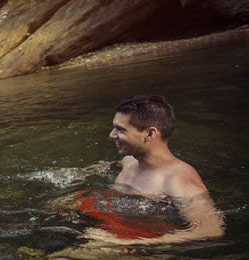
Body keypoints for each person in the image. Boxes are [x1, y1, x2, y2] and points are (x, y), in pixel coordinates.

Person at [80, 94, 224, 244]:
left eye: (120, 130)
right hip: (111, 228)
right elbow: (118, 163)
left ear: (150, 134)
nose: (111, 135)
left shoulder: (177, 179)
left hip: (140, 244)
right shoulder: (130, 161)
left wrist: (128, 243)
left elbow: (211, 230)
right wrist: (89, 172)